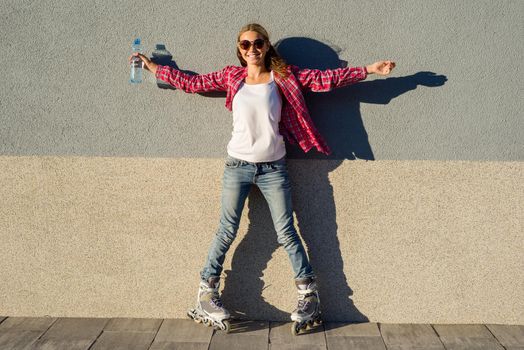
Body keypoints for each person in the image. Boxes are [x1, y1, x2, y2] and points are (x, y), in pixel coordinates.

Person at [129, 23, 395, 334]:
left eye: (257, 43)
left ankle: (308, 296)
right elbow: (195, 83)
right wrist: (155, 68)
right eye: (245, 45)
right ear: (239, 49)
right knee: (226, 230)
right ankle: (206, 293)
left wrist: (369, 70)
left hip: (273, 169)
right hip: (237, 166)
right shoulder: (232, 76)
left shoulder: (284, 76)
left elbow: (327, 79)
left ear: (266, 45)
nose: (252, 49)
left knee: (287, 232)